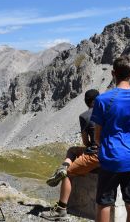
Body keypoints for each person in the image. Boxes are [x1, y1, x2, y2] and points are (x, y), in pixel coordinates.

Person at [91, 55, 130, 222]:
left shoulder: (102, 100)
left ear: (113, 73)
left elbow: (97, 135)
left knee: (104, 203)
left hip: (111, 157)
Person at [41, 89, 100, 221]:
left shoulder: (85, 116)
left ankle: (61, 210)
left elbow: (86, 142)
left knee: (68, 174)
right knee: (73, 150)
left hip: (96, 155)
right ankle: (64, 166)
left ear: (87, 101)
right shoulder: (109, 113)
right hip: (113, 153)